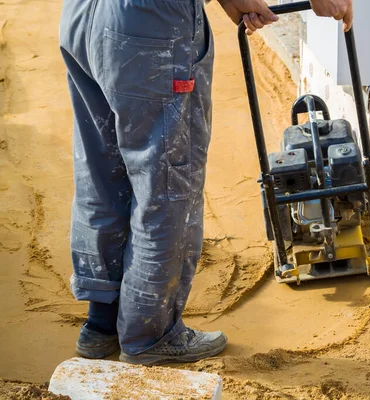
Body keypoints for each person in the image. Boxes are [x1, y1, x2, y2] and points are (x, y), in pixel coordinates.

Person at [58, 0, 353, 366]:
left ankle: (101, 326)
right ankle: (150, 335)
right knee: (165, 185)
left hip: (84, 16)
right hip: (147, 30)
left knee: (102, 171)